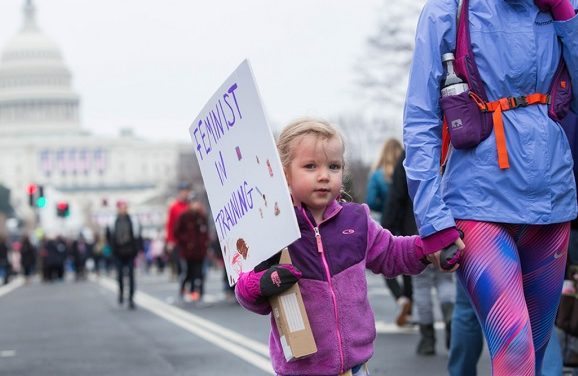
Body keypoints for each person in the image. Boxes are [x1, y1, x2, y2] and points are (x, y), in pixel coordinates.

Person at [404, 0, 578, 373]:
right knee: (514, 348)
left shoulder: (566, 8)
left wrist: (566, 16)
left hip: (552, 202)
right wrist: (434, 221)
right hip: (477, 205)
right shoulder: (446, 10)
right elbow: (420, 120)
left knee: (537, 352)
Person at [235, 118, 456, 376]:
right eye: (310, 166)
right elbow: (244, 288)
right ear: (284, 173)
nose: (324, 175)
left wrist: (427, 249)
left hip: (355, 368)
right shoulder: (274, 227)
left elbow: (392, 252)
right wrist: (262, 283)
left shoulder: (356, 219)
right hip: (300, 371)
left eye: (334, 166)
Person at [384, 150, 455, 355]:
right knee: (445, 281)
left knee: (421, 286)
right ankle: (449, 311)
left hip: (416, 230)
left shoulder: (410, 155)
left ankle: (427, 339)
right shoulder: (447, 150)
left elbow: (396, 197)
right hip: (444, 227)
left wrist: (389, 225)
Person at [367, 138, 413, 327]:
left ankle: (400, 298)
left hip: (388, 222)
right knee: (408, 262)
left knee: (385, 261)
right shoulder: (407, 169)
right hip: (408, 222)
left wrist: (384, 207)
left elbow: (371, 200)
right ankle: (409, 302)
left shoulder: (378, 175)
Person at [107, 200, 141, 310]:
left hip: (130, 252)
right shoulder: (112, 221)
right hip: (118, 253)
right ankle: (121, 293)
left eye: (124, 207)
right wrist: (113, 250)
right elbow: (109, 237)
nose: (123, 209)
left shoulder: (133, 220)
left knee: (131, 276)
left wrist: (137, 250)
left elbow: (137, 237)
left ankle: (131, 298)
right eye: (121, 207)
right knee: (120, 275)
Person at [173, 199, 209, 302]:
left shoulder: (202, 217)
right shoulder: (184, 216)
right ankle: (183, 289)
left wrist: (205, 243)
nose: (196, 205)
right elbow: (177, 232)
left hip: (200, 251)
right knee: (188, 272)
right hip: (187, 251)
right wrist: (186, 241)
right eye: (194, 203)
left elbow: (205, 232)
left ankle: (199, 292)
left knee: (200, 273)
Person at [165, 181, 192, 281]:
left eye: (187, 191)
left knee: (191, 265)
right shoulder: (174, 207)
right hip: (178, 241)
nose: (185, 193)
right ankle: (183, 283)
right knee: (181, 264)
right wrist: (170, 241)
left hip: (190, 241)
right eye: (183, 191)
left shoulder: (192, 205)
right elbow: (170, 225)